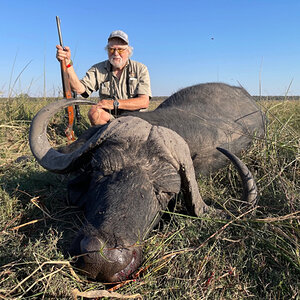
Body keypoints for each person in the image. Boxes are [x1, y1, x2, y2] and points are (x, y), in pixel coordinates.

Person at [56, 30, 152, 125]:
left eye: (120, 49)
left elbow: (144, 102)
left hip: (135, 120)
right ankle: (104, 139)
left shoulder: (140, 69)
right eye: (111, 49)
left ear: (128, 51)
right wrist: (68, 64)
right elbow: (79, 89)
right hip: (110, 120)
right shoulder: (98, 68)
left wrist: (114, 103)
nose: (115, 53)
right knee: (94, 113)